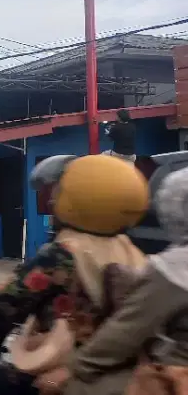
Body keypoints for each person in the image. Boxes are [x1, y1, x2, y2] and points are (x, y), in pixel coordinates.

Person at [0, 154, 150, 395]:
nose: (53, 200)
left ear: (81, 199)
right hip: (115, 366)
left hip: (68, 365)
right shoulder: (131, 250)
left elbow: (8, 298)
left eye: (59, 191)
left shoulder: (64, 253)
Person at [58, 167, 188, 395]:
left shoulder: (175, 266)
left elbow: (124, 333)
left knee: (73, 387)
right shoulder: (129, 248)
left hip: (176, 369)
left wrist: (76, 368)